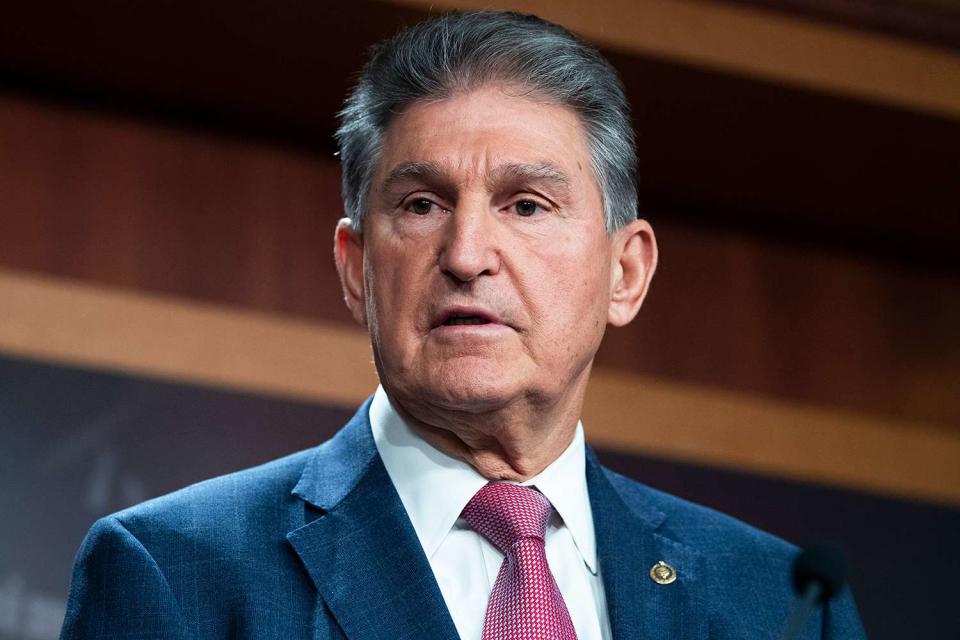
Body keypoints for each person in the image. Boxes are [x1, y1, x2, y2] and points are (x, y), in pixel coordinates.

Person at [60, 11, 866, 640]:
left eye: (526, 204)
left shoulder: (780, 603)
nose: (468, 253)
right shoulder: (177, 570)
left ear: (626, 273)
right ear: (355, 268)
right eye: (421, 205)